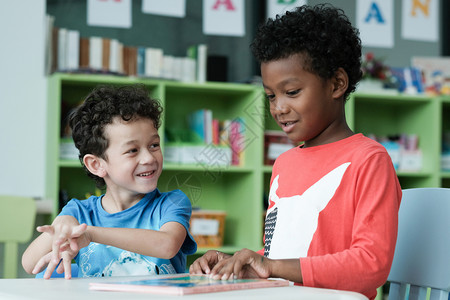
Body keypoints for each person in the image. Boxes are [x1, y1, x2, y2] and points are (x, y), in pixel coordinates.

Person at [189, 4, 401, 300]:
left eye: (291, 93)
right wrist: (239, 262)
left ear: (337, 84)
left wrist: (270, 264)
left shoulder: (368, 159)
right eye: (271, 96)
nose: (278, 108)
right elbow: (286, 253)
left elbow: (371, 264)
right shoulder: (284, 163)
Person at [22, 84, 197, 279]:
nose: (149, 158)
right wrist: (62, 227)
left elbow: (167, 245)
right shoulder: (79, 212)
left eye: (154, 145)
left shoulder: (171, 203)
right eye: (133, 150)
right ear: (96, 165)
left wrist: (90, 234)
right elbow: (30, 264)